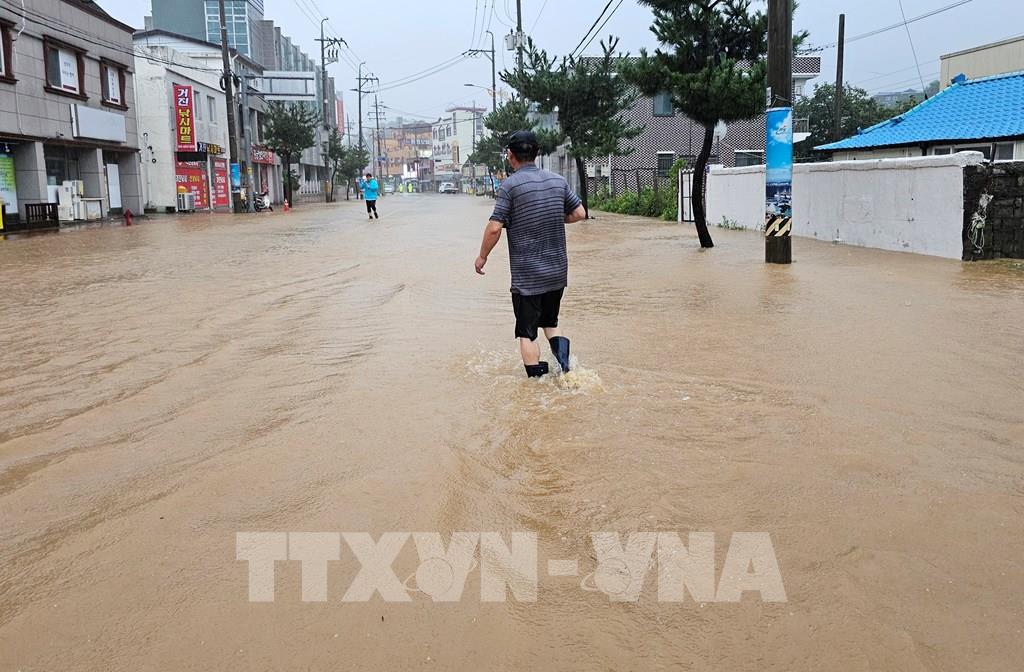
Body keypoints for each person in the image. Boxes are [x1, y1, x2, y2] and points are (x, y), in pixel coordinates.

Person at [475, 130, 588, 378]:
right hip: (556, 272)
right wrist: (552, 218)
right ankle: (565, 369)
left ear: (510, 155)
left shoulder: (510, 186)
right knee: (551, 323)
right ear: (536, 153)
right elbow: (580, 213)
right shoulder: (557, 181)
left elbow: (494, 228)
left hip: (528, 278)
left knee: (527, 333)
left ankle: (537, 382)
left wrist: (482, 257)